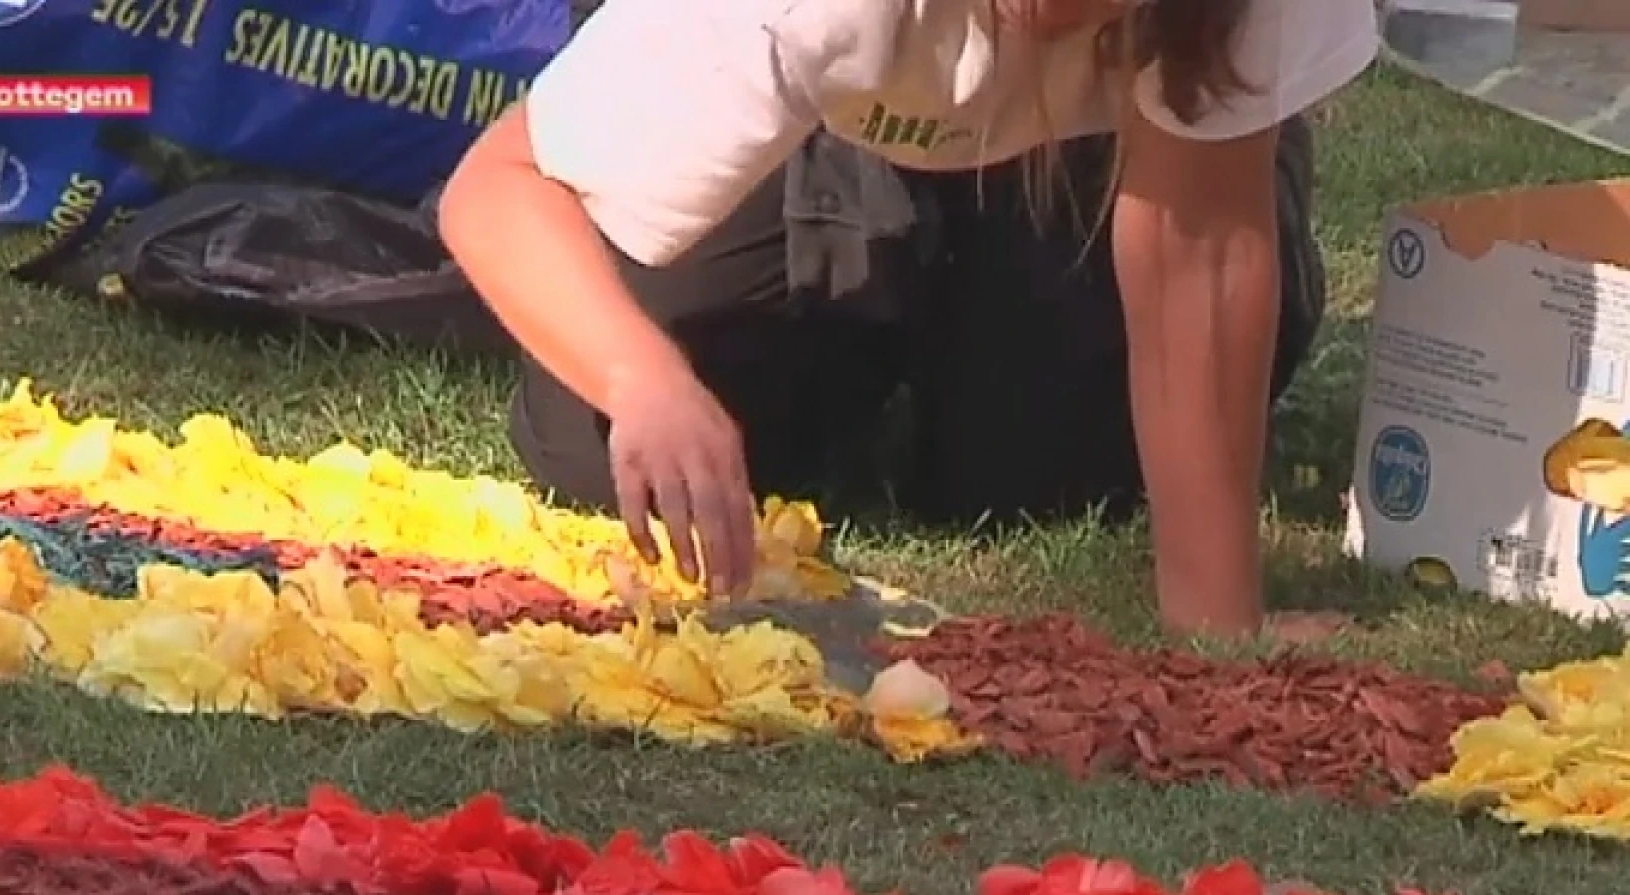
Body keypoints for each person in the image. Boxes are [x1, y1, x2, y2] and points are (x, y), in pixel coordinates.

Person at [438, 0, 1378, 639]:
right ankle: (874, 301)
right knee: (593, 439)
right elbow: (501, 188)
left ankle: (964, 339)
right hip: (832, 134)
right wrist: (643, 380)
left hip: (1099, 161)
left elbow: (1201, 246)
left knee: (1044, 472)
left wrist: (1215, 621)